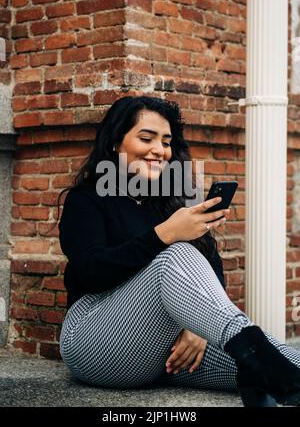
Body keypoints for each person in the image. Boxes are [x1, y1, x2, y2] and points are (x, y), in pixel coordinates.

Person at [57, 96, 300, 407]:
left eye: (167, 142)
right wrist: (166, 234)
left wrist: (196, 327)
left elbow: (211, 272)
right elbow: (91, 271)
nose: (160, 150)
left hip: (163, 353)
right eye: (147, 138)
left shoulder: (171, 203)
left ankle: (259, 370)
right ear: (116, 143)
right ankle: (256, 356)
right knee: (176, 253)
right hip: (95, 342)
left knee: (288, 361)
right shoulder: (86, 200)